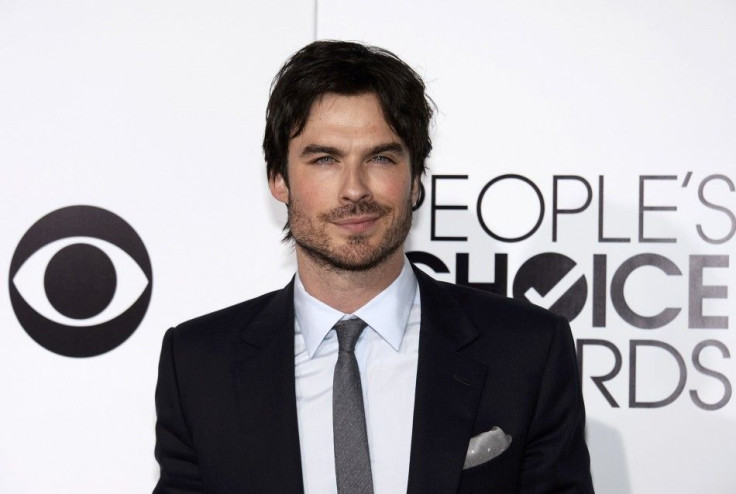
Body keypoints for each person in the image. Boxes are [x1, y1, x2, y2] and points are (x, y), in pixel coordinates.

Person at [153, 40, 594, 493]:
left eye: (380, 157)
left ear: (416, 179)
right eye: (325, 159)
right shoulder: (198, 366)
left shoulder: (527, 351)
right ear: (279, 179)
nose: (354, 189)